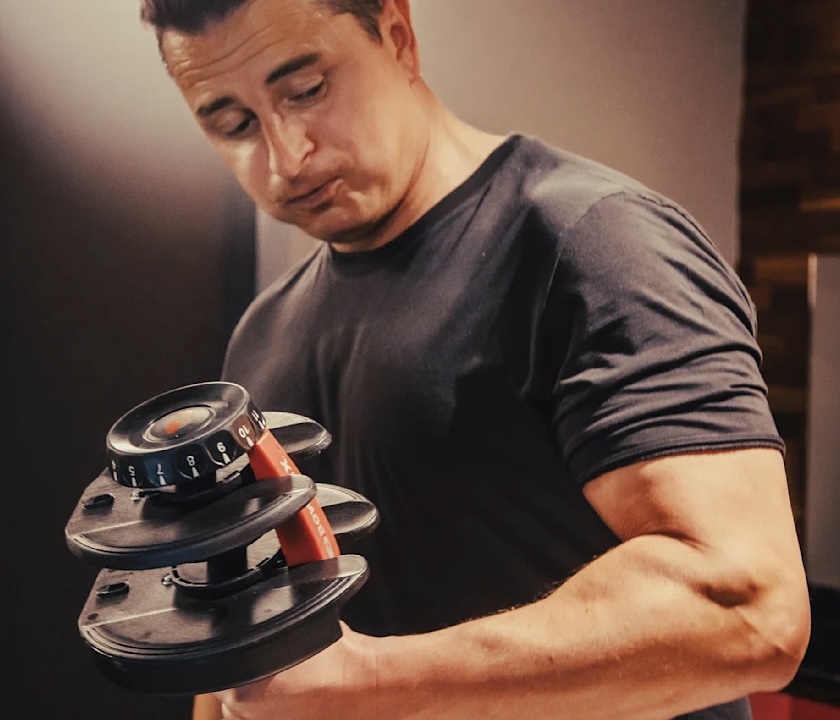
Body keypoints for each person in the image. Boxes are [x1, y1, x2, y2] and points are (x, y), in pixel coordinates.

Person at [137, 1, 812, 718]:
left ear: (398, 36)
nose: (286, 156)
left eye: (307, 90)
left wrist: (369, 684)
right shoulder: (263, 331)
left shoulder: (596, 243)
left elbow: (749, 610)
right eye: (233, 123)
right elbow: (241, 636)